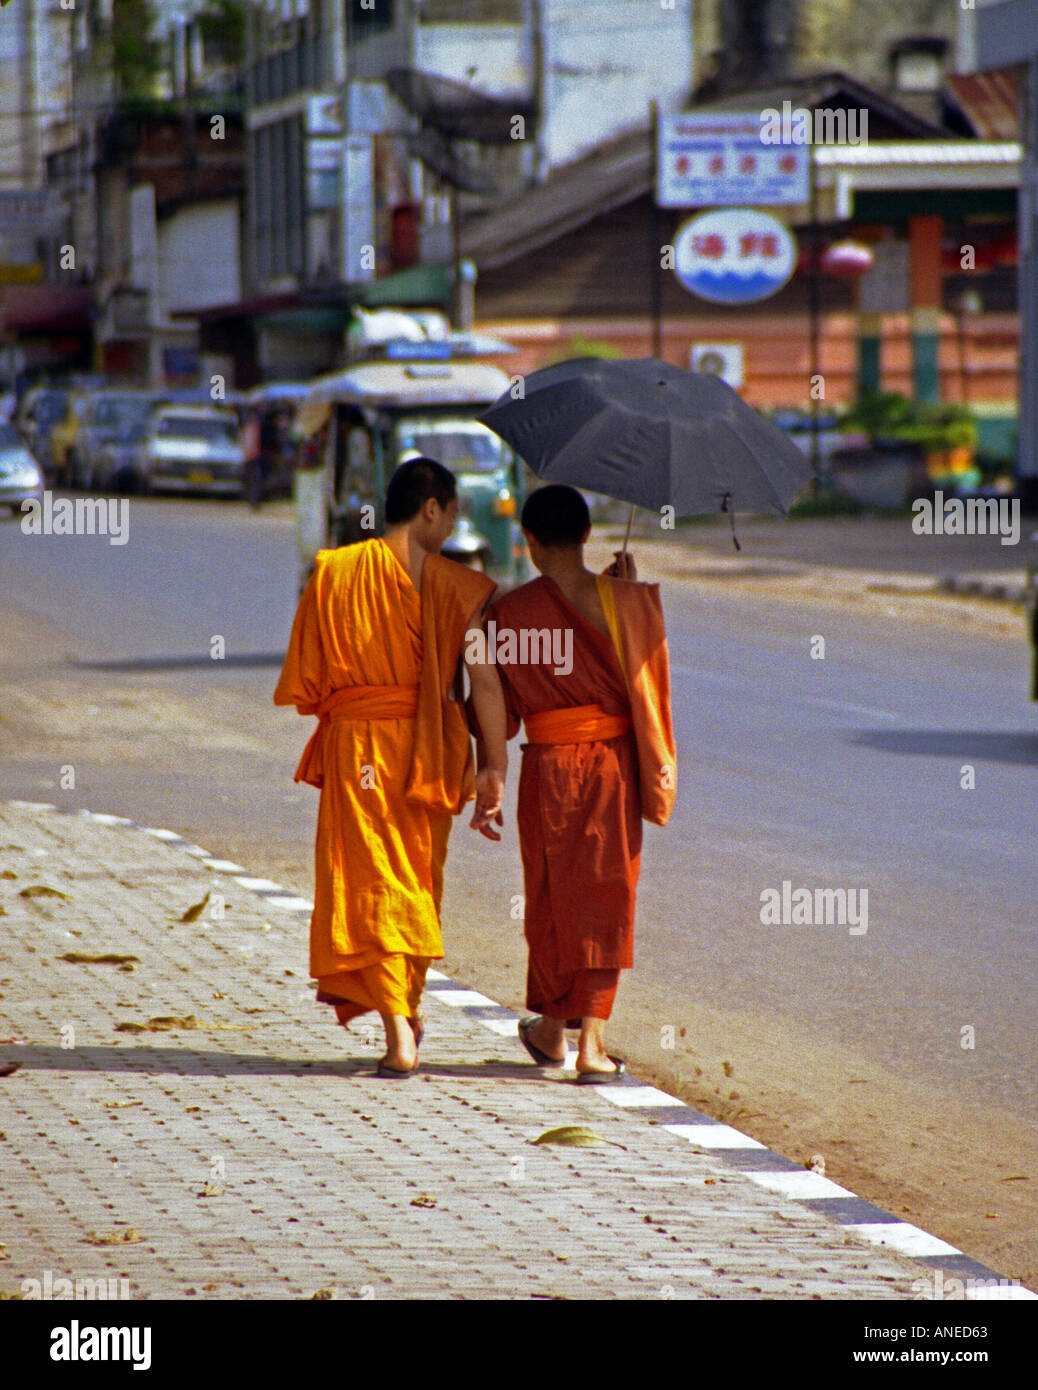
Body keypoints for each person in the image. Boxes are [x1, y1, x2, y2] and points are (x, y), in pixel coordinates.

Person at [274, 457, 507, 1077]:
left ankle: (398, 1025)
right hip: (429, 748)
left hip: (357, 750)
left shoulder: (334, 572)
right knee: (413, 879)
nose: (453, 527)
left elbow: (311, 679)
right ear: (432, 507)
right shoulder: (460, 587)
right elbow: (484, 682)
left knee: (369, 877)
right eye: (453, 514)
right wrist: (494, 769)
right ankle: (404, 1016)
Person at [471, 484, 676, 1082]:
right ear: (587, 534)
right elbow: (649, 686)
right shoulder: (626, 602)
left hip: (547, 766)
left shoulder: (508, 614)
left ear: (528, 541)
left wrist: (490, 774)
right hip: (612, 766)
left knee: (553, 897)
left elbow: (496, 707)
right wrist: (626, 594)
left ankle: (551, 1031)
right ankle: (589, 1043)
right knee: (607, 895)